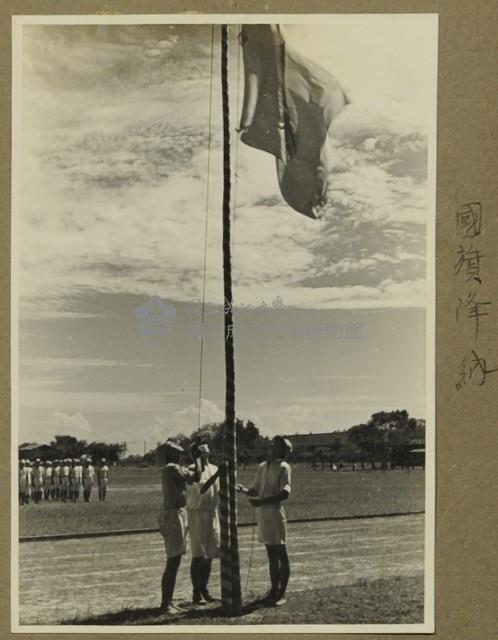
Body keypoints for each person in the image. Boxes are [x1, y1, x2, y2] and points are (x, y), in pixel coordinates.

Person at [238, 436, 293, 607]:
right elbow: (255, 489)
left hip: (275, 513)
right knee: (271, 554)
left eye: (275, 445)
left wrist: (261, 501)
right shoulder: (262, 466)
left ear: (282, 450)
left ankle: (282, 592)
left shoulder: (284, 467)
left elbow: (285, 492)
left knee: (280, 553)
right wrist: (243, 489)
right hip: (262, 514)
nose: (271, 447)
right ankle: (274, 589)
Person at [157, 440, 201, 615]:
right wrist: (197, 458)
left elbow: (194, 475)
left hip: (178, 513)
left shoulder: (174, 467)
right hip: (173, 515)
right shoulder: (171, 468)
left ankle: (168, 601)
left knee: (175, 561)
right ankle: (165, 603)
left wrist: (196, 460)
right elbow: (195, 476)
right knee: (173, 560)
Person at [186, 443, 220, 605]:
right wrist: (220, 473)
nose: (205, 449)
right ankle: (196, 592)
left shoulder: (214, 468)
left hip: (211, 512)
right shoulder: (192, 469)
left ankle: (204, 589)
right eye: (201, 448)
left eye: (206, 446)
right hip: (197, 513)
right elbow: (202, 488)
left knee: (210, 554)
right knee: (198, 555)